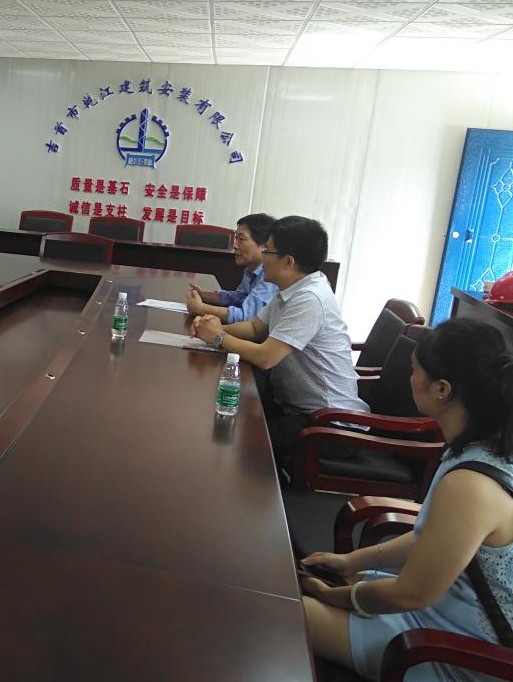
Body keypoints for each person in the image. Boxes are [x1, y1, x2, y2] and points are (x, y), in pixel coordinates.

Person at [300, 318, 513, 681]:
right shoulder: (479, 448)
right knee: (304, 580)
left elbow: (409, 596)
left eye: (415, 370)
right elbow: (430, 538)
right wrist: (353, 560)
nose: (410, 378)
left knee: (279, 609)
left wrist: (337, 596)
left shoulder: (470, 485)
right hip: (442, 611)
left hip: (458, 649)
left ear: (442, 389)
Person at [191, 215, 367, 462]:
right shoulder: (292, 287)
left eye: (268, 251)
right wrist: (211, 327)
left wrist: (218, 337)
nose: (263, 257)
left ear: (288, 262)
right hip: (295, 406)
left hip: (330, 425)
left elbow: (266, 357)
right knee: (228, 416)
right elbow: (255, 328)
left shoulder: (310, 298)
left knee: (236, 439)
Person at [186, 213, 278, 322]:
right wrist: (203, 295)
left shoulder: (271, 277)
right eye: (236, 238)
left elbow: (246, 317)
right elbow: (240, 297)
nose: (234, 245)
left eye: (241, 239)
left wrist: (201, 308)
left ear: (264, 245)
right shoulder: (250, 269)